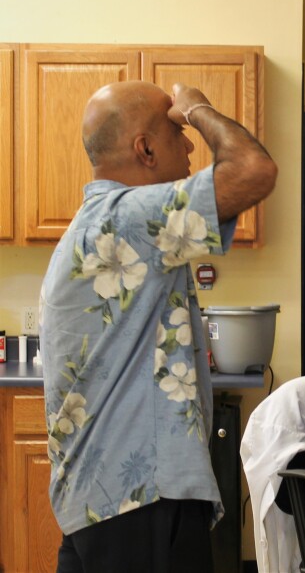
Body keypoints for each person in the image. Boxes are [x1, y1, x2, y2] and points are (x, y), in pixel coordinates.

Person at [39, 81, 277, 572]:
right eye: (177, 131)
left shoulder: (98, 223)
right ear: (145, 148)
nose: (190, 144)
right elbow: (253, 170)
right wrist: (200, 109)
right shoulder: (125, 219)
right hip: (139, 498)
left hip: (99, 502)